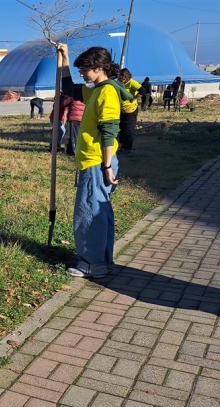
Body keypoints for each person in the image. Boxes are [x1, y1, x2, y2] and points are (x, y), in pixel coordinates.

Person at [58, 43, 133, 278]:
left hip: (97, 162)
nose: (82, 73)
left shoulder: (107, 92)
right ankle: (102, 260)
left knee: (89, 212)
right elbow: (68, 87)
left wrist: (107, 166)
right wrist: (64, 58)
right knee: (99, 211)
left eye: (85, 69)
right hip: (95, 162)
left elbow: (109, 130)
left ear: (99, 68)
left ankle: (92, 263)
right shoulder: (97, 89)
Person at [118, 68, 141, 152]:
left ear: (127, 76)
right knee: (122, 128)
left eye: (124, 77)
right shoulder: (119, 83)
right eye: (121, 77)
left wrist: (134, 98)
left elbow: (143, 90)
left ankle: (128, 148)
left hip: (131, 110)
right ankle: (121, 146)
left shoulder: (132, 82)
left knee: (128, 129)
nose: (122, 79)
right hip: (121, 110)